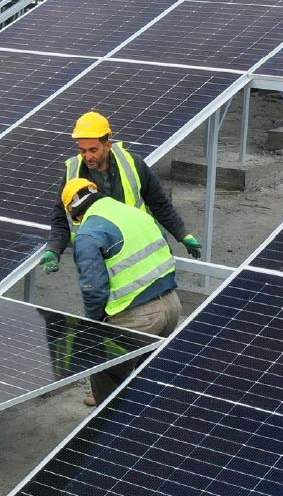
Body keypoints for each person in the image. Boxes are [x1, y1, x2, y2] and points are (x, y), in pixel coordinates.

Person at [54, 178, 184, 405]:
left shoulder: (88, 233)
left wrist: (94, 325)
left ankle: (107, 422)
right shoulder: (135, 213)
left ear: (74, 214)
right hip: (172, 306)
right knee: (149, 375)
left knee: (104, 370)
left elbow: (93, 288)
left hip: (138, 320)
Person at [42, 111, 200, 276]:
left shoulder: (132, 164)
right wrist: (53, 249)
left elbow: (159, 203)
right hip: (101, 257)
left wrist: (182, 234)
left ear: (108, 145)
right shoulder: (72, 172)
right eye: (83, 151)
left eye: (93, 150)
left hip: (139, 248)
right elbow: (61, 217)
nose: (88, 157)